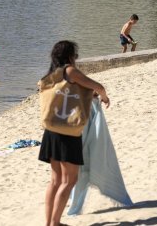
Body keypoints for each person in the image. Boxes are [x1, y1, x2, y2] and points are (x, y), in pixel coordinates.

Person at [38, 40, 110, 226]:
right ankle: (55, 223)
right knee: (70, 180)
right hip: (68, 133)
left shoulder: (53, 74)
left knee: (55, 180)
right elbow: (97, 86)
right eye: (75, 55)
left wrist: (89, 96)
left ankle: (49, 223)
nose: (76, 59)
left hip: (51, 130)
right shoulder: (70, 71)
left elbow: (69, 94)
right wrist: (103, 96)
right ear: (70, 55)